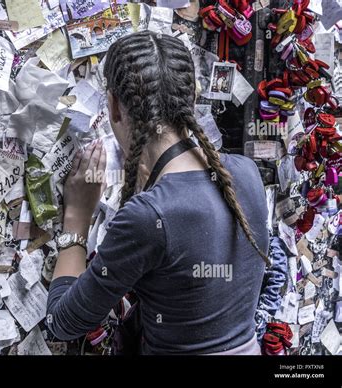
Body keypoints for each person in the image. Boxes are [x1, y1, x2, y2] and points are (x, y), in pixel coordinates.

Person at [46, 30, 270, 355]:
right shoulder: (245, 173)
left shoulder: (148, 216)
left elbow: (61, 322)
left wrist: (76, 220)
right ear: (191, 99)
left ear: (114, 108)